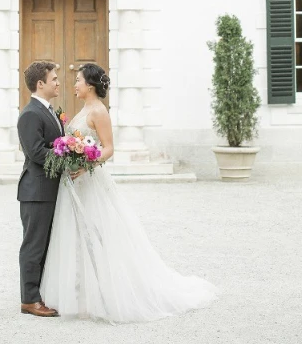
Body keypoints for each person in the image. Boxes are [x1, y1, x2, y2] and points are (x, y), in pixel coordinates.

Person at [40, 62, 218, 323]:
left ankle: (110, 294)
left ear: (89, 85)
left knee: (99, 235)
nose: (74, 85)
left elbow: (109, 148)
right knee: (77, 235)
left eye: (78, 80)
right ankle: (82, 294)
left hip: (89, 181)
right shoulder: (85, 108)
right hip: (75, 181)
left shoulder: (99, 111)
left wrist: (86, 163)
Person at [17, 60, 64, 318]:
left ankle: (40, 293)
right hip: (36, 191)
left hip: (49, 189)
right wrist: (67, 159)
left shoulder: (48, 111)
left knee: (46, 245)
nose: (58, 82)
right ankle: (29, 300)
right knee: (33, 246)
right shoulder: (30, 114)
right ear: (40, 83)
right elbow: (35, 152)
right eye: (54, 78)